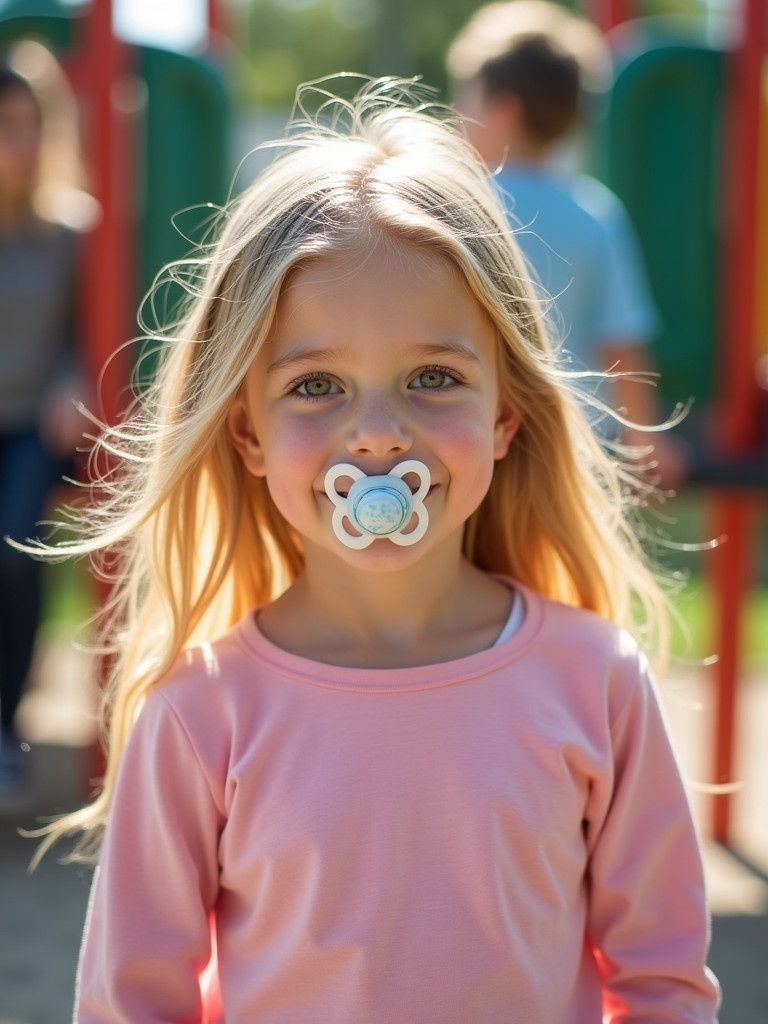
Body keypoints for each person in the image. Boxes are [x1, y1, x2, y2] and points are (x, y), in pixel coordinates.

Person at [24, 77, 718, 1021]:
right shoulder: (200, 717)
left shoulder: (597, 683)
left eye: (433, 376)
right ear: (248, 434)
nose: (379, 436)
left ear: (506, 415)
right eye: (316, 386)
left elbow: (664, 983)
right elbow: (130, 1002)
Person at [447, 0, 688, 487]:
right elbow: (621, 342)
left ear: (503, 111)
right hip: (572, 450)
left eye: (464, 98)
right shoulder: (595, 211)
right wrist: (648, 439)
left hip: (469, 435)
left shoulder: (457, 205)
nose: (455, 112)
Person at [0, 44, 90, 803]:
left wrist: (72, 378)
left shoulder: (69, 232)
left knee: (15, 553)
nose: (18, 144)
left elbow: (82, 336)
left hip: (32, 421)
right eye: (4, 126)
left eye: (30, 125)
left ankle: (7, 732)